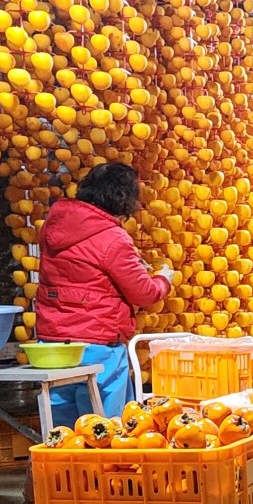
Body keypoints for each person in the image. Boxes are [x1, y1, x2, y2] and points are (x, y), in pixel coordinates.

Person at [35, 162, 175, 423]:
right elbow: (144, 293)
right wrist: (163, 280)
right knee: (105, 429)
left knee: (61, 432)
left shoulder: (51, 226)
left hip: (53, 346)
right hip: (98, 345)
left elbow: (80, 270)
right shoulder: (112, 237)